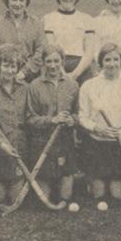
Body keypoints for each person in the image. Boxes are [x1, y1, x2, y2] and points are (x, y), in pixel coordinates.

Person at [78, 43, 121, 210]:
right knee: (99, 194)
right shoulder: (89, 86)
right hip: (97, 143)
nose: (112, 64)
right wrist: (97, 128)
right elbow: (83, 116)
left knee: (117, 195)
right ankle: (92, 182)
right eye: (107, 59)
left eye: (116, 59)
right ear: (100, 62)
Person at [27, 45, 79, 207]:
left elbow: (78, 114)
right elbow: (30, 118)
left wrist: (72, 121)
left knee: (66, 196)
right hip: (42, 143)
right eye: (48, 61)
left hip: (65, 142)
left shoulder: (72, 84)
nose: (52, 65)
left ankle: (61, 187)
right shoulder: (34, 86)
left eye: (56, 61)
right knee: (45, 199)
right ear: (43, 63)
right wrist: (52, 120)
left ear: (63, 61)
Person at [0, 44, 29, 206]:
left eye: (13, 66)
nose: (9, 70)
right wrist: (1, 144)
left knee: (17, 200)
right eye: (6, 66)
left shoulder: (25, 88)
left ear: (18, 67)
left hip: (19, 148)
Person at [43, 0, 96, 84]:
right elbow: (51, 48)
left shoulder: (87, 19)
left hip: (82, 68)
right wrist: (62, 73)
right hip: (56, 66)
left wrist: (75, 74)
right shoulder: (48, 18)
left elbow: (89, 52)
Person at [0, 0, 45, 82]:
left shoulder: (36, 23)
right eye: (14, 0)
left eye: (21, 0)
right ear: (7, 2)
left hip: (30, 77)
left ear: (26, 2)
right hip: (3, 76)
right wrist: (7, 70)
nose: (18, 4)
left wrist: (25, 71)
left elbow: (41, 50)